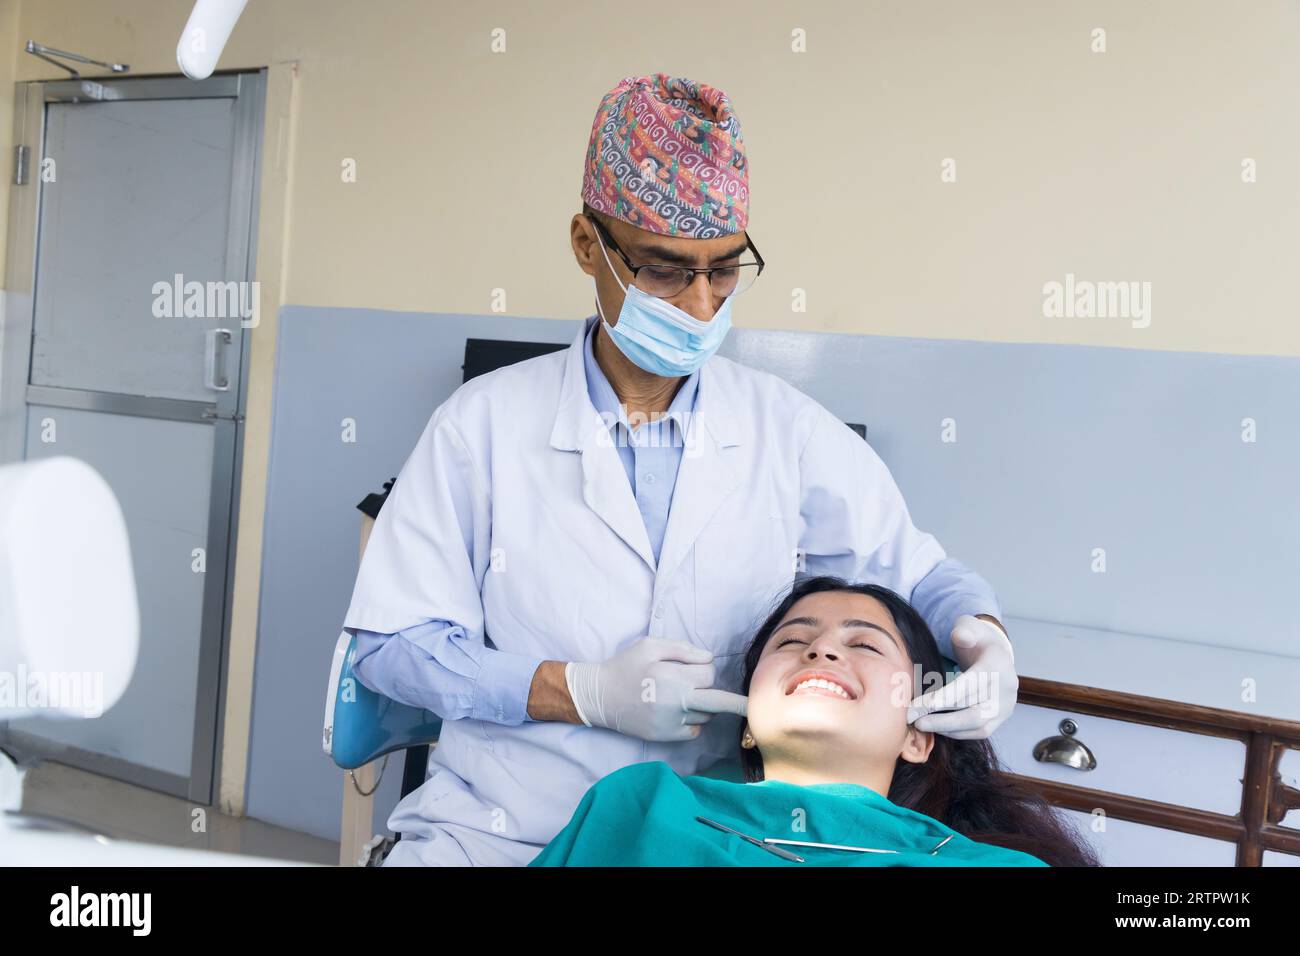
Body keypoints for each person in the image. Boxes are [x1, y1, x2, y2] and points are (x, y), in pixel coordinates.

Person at [341, 74, 1020, 866]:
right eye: (665, 271)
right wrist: (581, 690)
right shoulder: (480, 428)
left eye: (724, 270)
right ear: (587, 244)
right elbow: (391, 647)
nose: (702, 306)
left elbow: (918, 575)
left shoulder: (788, 432)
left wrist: (986, 639)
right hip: (496, 833)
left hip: (703, 840)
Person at [531, 576, 1097, 867]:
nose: (822, 650)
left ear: (918, 736)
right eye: (793, 640)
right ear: (747, 724)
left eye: (865, 646)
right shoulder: (642, 804)